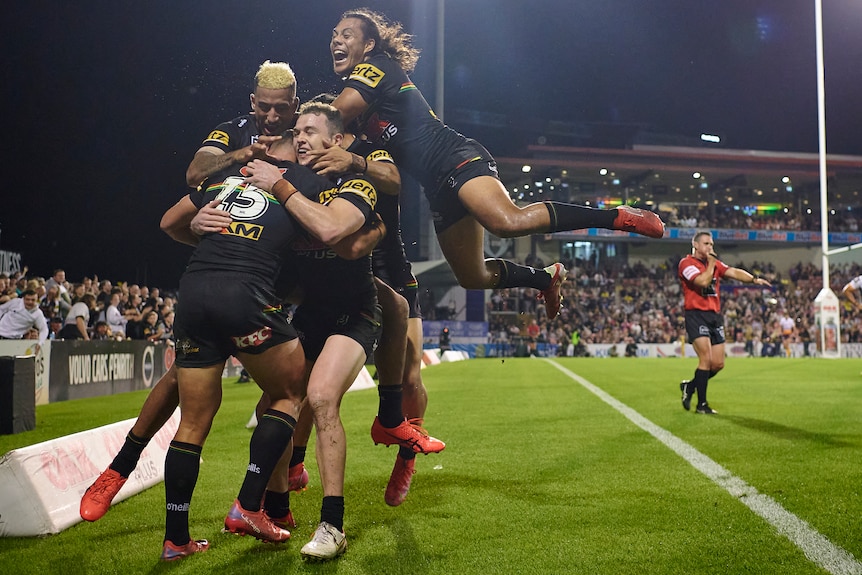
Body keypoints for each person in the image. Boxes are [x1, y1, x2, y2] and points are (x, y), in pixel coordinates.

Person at [328, 8, 666, 320]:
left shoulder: (377, 67)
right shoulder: (362, 101)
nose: (336, 40)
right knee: (473, 276)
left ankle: (618, 216)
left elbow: (333, 115)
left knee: (506, 221)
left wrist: (289, 126)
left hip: (455, 157)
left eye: (346, 35)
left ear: (369, 44)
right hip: (438, 187)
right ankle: (545, 278)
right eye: (334, 35)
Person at [243, 101, 443, 562]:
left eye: (311, 130)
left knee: (322, 397)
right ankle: (276, 509)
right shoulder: (287, 181)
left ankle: (332, 525)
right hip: (310, 311)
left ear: (336, 140)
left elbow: (337, 235)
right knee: (274, 407)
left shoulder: (357, 181)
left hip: (355, 313)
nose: (302, 137)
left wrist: (281, 189)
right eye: (298, 131)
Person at [301, 91, 443, 507]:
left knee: (409, 376)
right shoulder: (306, 164)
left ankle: (405, 457)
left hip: (391, 272)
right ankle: (291, 465)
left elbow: (396, 180)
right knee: (312, 385)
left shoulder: (371, 153)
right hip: (335, 277)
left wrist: (354, 162)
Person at [678, 232, 771, 414]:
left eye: (711, 244)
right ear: (695, 245)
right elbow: (703, 282)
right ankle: (701, 405)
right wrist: (712, 264)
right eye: (706, 244)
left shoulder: (715, 264)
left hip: (715, 316)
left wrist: (753, 279)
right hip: (696, 315)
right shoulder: (686, 264)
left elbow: (733, 272)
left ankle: (690, 386)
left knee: (718, 364)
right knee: (705, 359)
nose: (710, 248)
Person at [185, 60, 299, 188]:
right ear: (253, 102)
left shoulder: (311, 127)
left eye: (281, 108)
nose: (272, 118)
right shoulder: (233, 130)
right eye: (264, 107)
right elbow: (194, 174)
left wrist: (327, 157)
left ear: (294, 106)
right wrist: (237, 155)